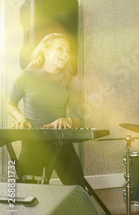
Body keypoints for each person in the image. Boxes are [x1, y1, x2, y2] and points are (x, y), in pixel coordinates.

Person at [6, 33, 86, 188]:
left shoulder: (70, 82)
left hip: (61, 142)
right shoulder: (26, 76)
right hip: (32, 144)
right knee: (27, 193)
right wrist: (20, 118)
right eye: (60, 49)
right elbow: (10, 104)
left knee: (78, 190)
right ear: (46, 51)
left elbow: (78, 120)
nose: (65, 54)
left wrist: (67, 121)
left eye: (67, 50)